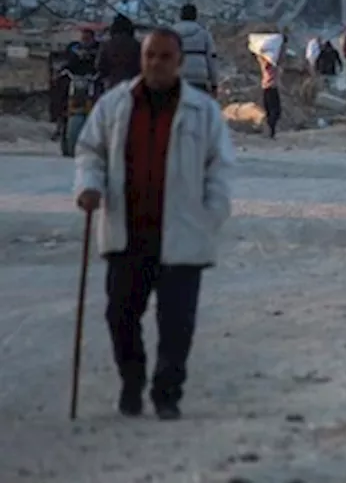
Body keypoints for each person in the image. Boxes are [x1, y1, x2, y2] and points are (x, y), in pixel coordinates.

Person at [73, 28, 234, 421]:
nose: (156, 63)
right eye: (151, 56)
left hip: (182, 232)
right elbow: (90, 151)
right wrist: (89, 186)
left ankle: (167, 394)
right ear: (141, 59)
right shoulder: (115, 105)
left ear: (179, 62)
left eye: (165, 56)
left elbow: (220, 167)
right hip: (130, 231)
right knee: (120, 316)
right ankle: (131, 381)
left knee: (176, 324)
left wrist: (210, 214)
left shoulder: (203, 111)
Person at [173, 4, 218, 96]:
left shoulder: (171, 33)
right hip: (199, 77)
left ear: (180, 16)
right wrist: (214, 83)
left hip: (177, 75)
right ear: (195, 16)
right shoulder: (204, 34)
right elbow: (211, 58)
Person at [98, 13, 142, 90]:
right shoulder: (137, 45)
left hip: (113, 82)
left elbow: (100, 65)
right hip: (132, 83)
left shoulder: (107, 44)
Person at [258, 50, 282, 139]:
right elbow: (279, 58)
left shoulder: (269, 66)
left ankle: (271, 132)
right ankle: (270, 132)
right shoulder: (268, 66)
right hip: (270, 89)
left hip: (268, 89)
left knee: (272, 112)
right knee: (274, 112)